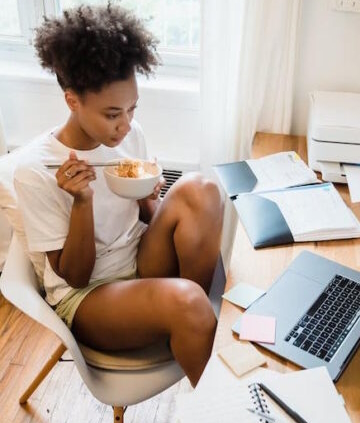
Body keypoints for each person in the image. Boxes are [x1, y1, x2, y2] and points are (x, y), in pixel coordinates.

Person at [14, 3, 223, 387]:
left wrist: (148, 201)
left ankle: (197, 325)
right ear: (73, 101)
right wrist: (82, 201)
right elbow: (75, 278)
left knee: (202, 188)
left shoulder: (131, 134)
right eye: (112, 114)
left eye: (132, 108)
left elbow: (145, 219)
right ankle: (195, 328)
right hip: (90, 298)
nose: (126, 124)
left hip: (139, 262)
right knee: (191, 304)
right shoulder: (34, 170)